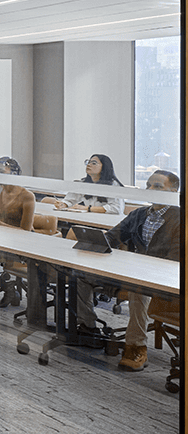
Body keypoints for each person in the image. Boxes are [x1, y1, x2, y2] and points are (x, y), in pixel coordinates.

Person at [102, 169, 182, 372]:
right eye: (148, 186)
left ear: (173, 191)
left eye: (158, 186)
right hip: (138, 270)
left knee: (138, 291)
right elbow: (112, 236)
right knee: (82, 277)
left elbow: (175, 259)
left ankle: (136, 347)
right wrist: (93, 241)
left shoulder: (181, 218)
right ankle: (85, 328)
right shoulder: (139, 214)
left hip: (168, 277)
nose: (151, 190)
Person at [54, 153, 124, 215]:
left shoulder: (113, 185)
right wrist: (63, 204)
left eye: (93, 163)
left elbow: (116, 209)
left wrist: (88, 208)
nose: (89, 165)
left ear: (104, 167)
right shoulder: (84, 183)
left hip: (109, 222)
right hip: (91, 219)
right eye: (88, 162)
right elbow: (70, 199)